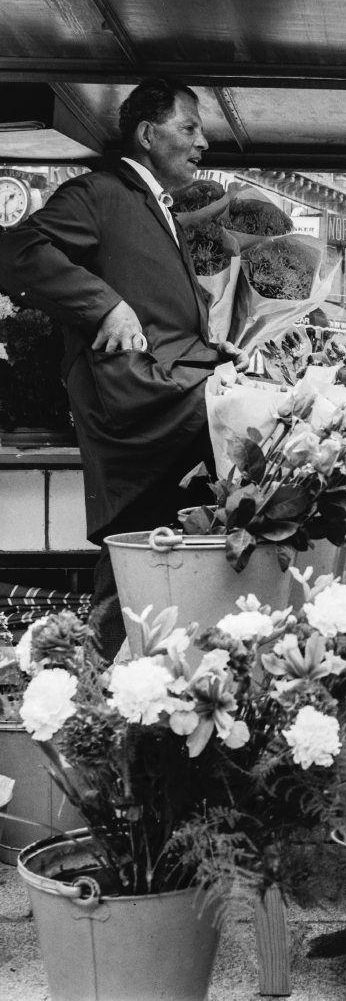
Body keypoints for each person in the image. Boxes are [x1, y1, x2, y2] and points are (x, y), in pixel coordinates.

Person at [0, 78, 247, 661]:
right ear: (146, 133)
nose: (202, 143)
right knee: (136, 564)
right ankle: (100, 692)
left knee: (148, 564)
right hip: (140, 414)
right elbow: (15, 251)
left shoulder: (147, 203)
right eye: (189, 128)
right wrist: (103, 304)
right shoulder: (100, 193)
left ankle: (123, 691)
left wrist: (214, 353)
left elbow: (163, 323)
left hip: (165, 407)